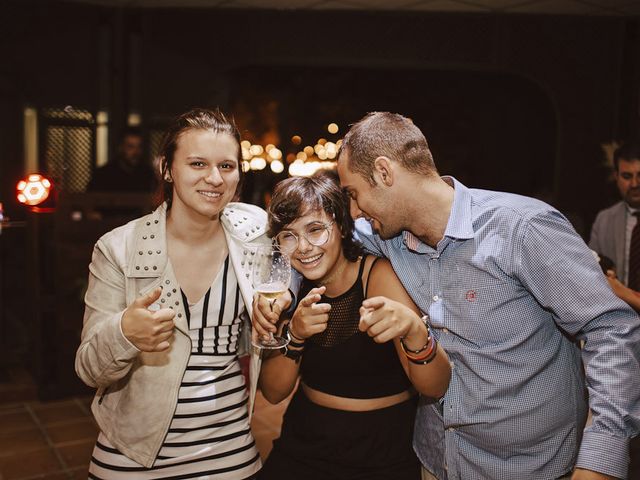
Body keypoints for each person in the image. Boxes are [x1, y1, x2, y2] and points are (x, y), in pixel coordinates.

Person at [335, 112, 640, 480]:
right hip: (437, 461)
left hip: (532, 469)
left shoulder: (522, 229)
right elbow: (315, 243)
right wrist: (279, 291)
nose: (354, 211)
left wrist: (599, 460)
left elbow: (611, 329)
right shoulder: (388, 237)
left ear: (384, 173)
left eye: (353, 193)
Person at [75, 108, 272, 479]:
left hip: (227, 450)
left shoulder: (257, 238)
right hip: (132, 453)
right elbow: (88, 369)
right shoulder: (119, 247)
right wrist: (124, 334)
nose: (214, 178)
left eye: (227, 166)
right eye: (198, 163)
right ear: (167, 169)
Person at [252, 171, 451, 480]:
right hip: (305, 441)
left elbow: (435, 385)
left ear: (342, 227)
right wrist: (296, 335)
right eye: (288, 236)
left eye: (316, 230)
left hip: (381, 449)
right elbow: (274, 393)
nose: (303, 247)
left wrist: (415, 331)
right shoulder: (288, 290)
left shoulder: (376, 276)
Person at [589, 143, 640, 288]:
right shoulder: (604, 220)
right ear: (616, 177)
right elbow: (590, 272)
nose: (635, 184)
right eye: (627, 176)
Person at [87, 126, 158, 193]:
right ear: (120, 148)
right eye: (130, 147)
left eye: (139, 147)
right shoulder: (104, 176)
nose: (136, 152)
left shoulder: (148, 175)